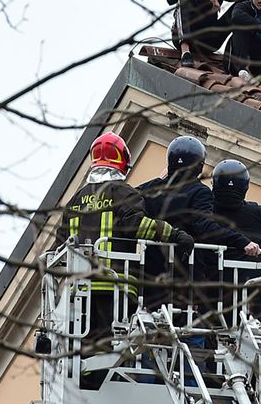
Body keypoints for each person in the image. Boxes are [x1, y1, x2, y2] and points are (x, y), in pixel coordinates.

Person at [56, 132, 194, 387]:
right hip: (114, 287)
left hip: (78, 292)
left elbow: (59, 248)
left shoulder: (74, 203)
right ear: (122, 163)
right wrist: (174, 234)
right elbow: (136, 225)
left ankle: (86, 383)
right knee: (113, 348)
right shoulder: (123, 193)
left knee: (85, 347)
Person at [138, 136, 260, 318]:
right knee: (190, 334)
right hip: (185, 279)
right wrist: (241, 242)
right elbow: (205, 226)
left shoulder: (149, 189)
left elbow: (126, 202)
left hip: (149, 277)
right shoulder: (199, 192)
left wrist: (158, 180)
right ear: (199, 165)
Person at [212, 161, 261, 319]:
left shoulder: (204, 213)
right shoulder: (256, 215)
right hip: (251, 306)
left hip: (210, 298)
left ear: (214, 185)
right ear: (245, 188)